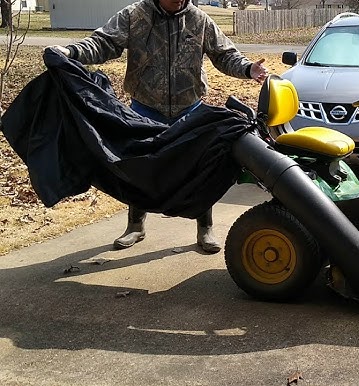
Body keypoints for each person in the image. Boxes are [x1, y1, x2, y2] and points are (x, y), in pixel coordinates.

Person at [45, 0, 268, 254]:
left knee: (199, 168)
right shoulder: (135, 15)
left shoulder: (199, 20)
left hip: (190, 108)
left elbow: (224, 54)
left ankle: (205, 227)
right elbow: (103, 42)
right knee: (139, 169)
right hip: (145, 109)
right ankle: (135, 226)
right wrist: (71, 52)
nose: (180, 1)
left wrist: (248, 68)